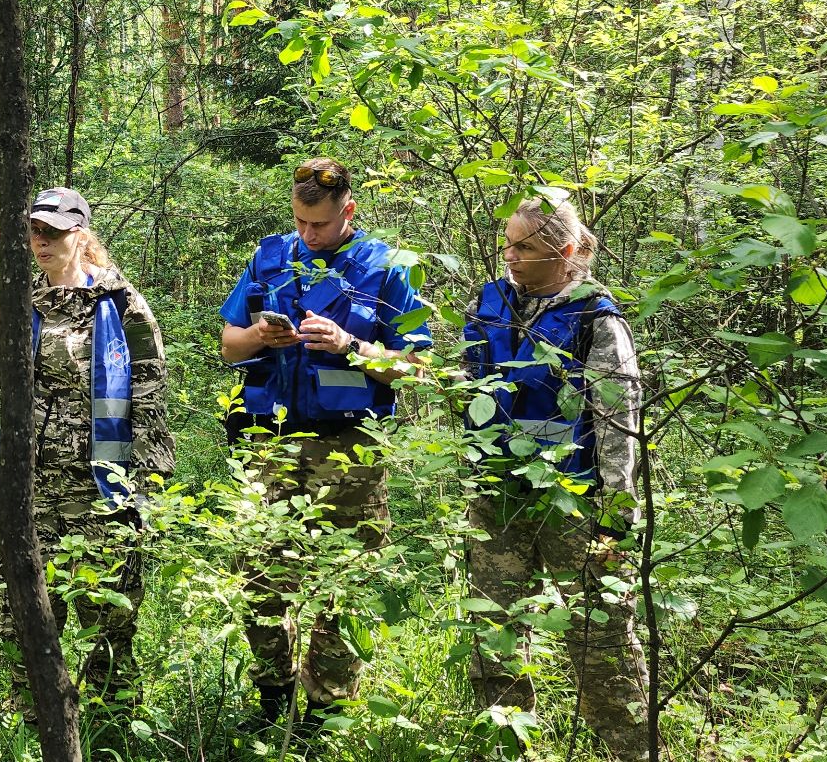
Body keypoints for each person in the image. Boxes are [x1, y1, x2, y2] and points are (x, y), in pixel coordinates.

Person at [0, 187, 174, 716]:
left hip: (102, 488)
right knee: (20, 614)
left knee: (109, 622)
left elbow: (149, 394)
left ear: (81, 234)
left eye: (53, 231)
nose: (40, 241)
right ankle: (32, 721)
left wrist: (145, 490)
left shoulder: (120, 303)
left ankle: (112, 727)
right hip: (34, 488)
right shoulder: (23, 302)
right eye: (33, 232)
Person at [218, 157, 429, 727]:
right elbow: (228, 345)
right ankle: (272, 695)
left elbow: (418, 366)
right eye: (301, 222)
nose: (308, 235)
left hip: (349, 448)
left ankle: (325, 713)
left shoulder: (387, 268)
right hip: (268, 443)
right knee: (261, 578)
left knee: (343, 583)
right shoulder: (270, 257)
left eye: (321, 225)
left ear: (349, 211)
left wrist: (351, 346)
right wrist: (259, 336)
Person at [461, 196, 651, 761]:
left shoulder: (597, 317)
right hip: (497, 494)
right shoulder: (491, 303)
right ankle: (507, 746)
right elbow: (469, 384)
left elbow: (618, 419)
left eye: (524, 247)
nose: (510, 257)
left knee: (600, 644)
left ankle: (635, 751)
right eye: (508, 244)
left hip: (576, 503)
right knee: (493, 637)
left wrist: (616, 513)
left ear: (565, 254)